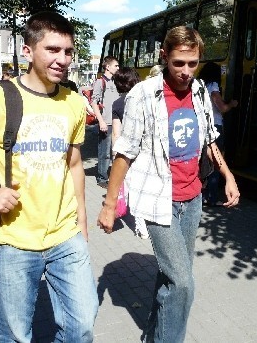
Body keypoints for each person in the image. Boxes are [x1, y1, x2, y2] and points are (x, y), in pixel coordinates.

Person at [0, 11, 98, 342]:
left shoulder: (74, 102)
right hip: (12, 242)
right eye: (52, 50)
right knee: (15, 337)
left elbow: (75, 164)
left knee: (81, 326)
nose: (62, 59)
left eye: (68, 51)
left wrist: (82, 221)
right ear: (28, 51)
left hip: (66, 237)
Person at [97, 26, 240, 343]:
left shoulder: (201, 91)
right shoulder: (144, 95)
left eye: (192, 63)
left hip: (193, 200)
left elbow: (209, 140)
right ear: (164, 56)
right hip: (158, 200)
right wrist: (109, 206)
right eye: (179, 63)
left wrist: (227, 175)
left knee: (171, 278)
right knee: (184, 283)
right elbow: (125, 152)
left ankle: (153, 336)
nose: (186, 72)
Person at [110, 67, 148, 239]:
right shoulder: (145, 99)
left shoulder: (117, 104)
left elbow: (116, 133)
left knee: (133, 187)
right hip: (145, 149)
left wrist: (114, 156)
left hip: (127, 153)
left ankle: (141, 226)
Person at [197, 61, 238, 206]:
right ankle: (212, 197)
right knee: (216, 161)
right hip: (215, 126)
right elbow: (221, 108)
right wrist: (231, 105)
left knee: (204, 161)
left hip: (203, 125)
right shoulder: (213, 86)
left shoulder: (200, 85)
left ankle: (202, 194)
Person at [90, 56, 120, 188]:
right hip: (106, 122)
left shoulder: (116, 82)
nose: (118, 68)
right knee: (104, 152)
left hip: (116, 122)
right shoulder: (100, 82)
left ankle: (112, 175)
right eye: (116, 66)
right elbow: (94, 102)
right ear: (108, 67)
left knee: (115, 151)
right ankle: (102, 178)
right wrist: (101, 121)